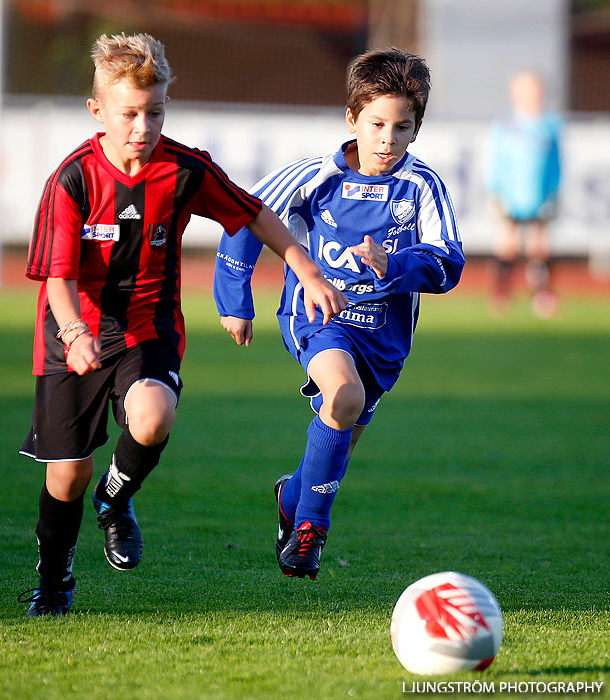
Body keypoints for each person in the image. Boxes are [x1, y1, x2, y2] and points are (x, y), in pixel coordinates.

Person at [17, 32, 346, 616]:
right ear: (98, 112)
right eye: (130, 115)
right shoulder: (72, 180)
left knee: (153, 415)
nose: (143, 127)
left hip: (148, 325)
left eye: (155, 112)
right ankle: (54, 582)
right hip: (72, 332)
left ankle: (115, 502)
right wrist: (74, 333)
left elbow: (253, 214)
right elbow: (57, 279)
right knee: (66, 475)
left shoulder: (183, 169)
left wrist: (306, 267)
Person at [214, 48, 464, 580]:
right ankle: (310, 532)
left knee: (342, 432)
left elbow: (448, 265)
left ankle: (293, 498)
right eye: (377, 124)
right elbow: (243, 219)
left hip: (385, 338)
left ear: (417, 129)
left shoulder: (424, 187)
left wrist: (393, 263)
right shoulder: (312, 177)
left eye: (402, 127)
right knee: (343, 396)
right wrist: (235, 301)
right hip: (315, 317)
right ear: (352, 119)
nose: (387, 139)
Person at [486, 69, 562, 317]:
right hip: (511, 196)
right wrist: (496, 192)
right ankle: (502, 291)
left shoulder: (550, 125)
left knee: (538, 246)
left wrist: (554, 191)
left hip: (539, 196)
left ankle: (542, 292)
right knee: (507, 244)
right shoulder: (506, 125)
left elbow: (556, 163)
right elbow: (496, 162)